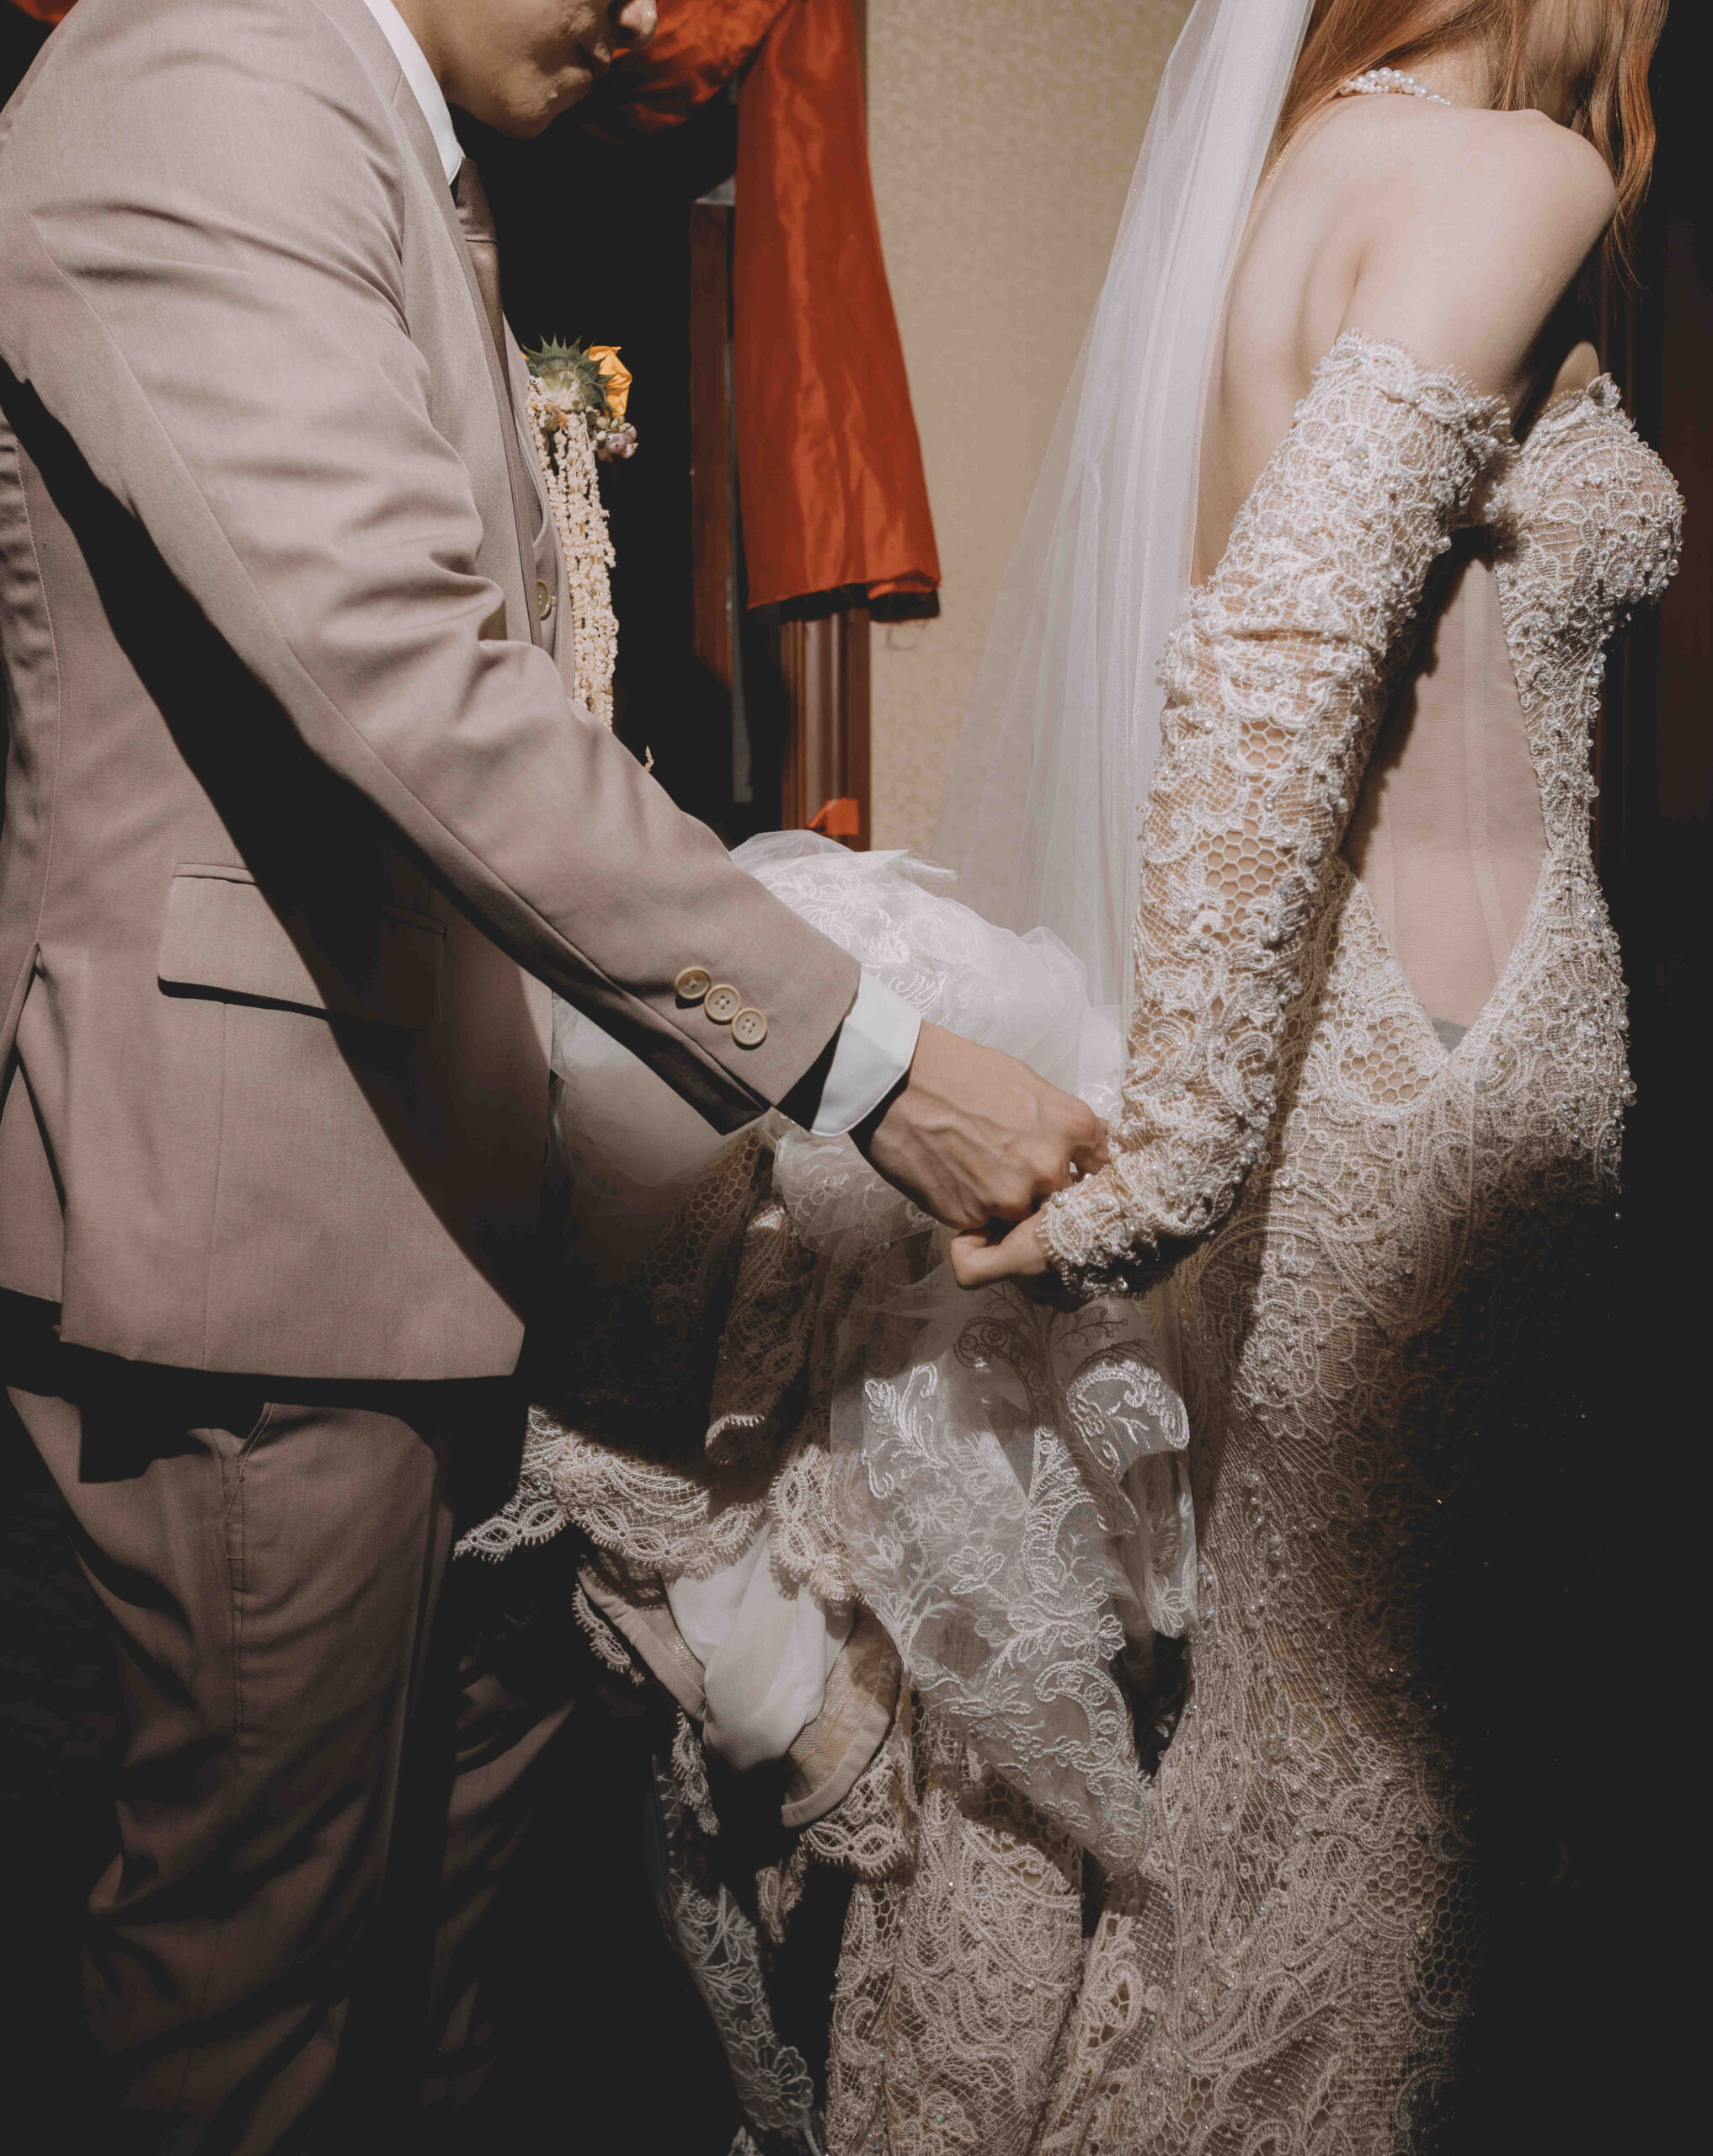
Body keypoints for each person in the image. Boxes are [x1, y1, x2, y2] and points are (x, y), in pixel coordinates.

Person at [477, 0, 1678, 2148]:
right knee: (1396, 1794)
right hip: (1459, 1089)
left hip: (1361, 1064)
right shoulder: (1518, 175)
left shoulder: (1323, 163)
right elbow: (1281, 650)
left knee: (1304, 1763)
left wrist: (1210, 1116)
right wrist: (1182, 1144)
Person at [0, 0, 1105, 2145]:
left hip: (420, 1207)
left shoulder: (383, 127)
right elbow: (409, 677)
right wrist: (878, 1066)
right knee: (254, 2000)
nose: (641, 9)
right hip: (256, 1234)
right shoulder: (205, 76)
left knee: (434, 1974)